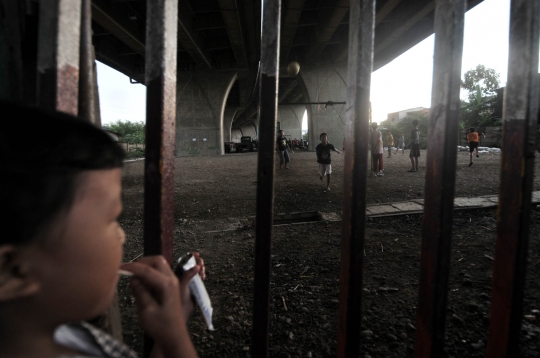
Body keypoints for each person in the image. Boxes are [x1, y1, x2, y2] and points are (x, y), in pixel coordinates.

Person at [0, 101, 204, 358]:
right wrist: (177, 340)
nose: (122, 235)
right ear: (12, 270)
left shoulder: (69, 334)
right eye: (111, 219)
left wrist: (173, 325)